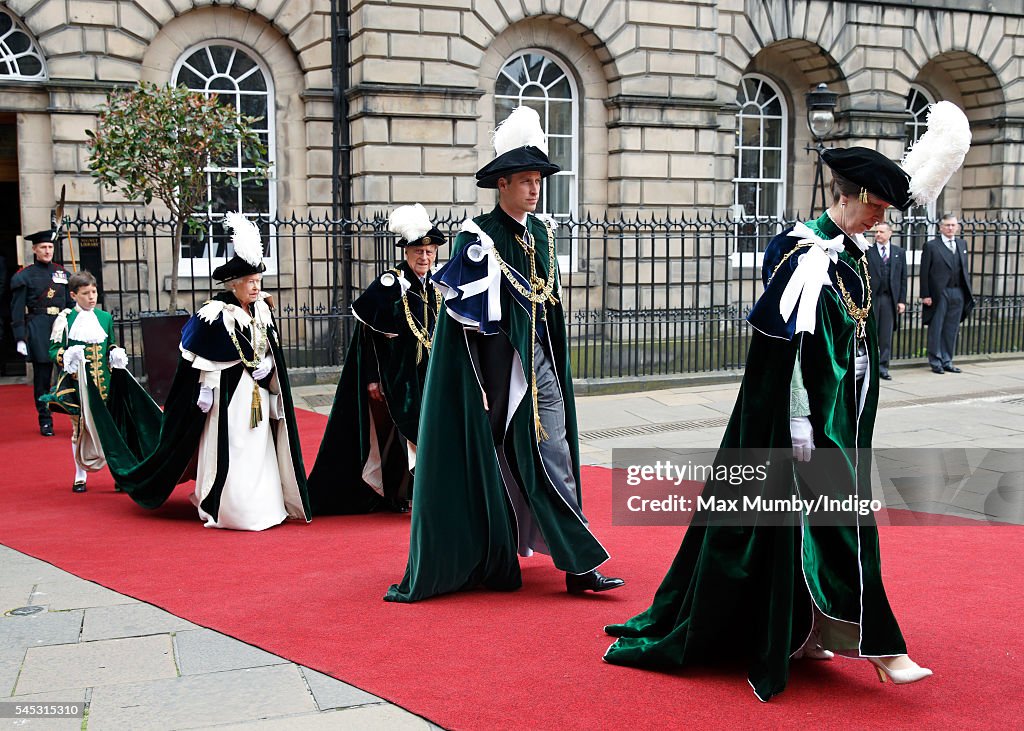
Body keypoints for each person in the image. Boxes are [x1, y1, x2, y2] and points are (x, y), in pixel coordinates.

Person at [604, 101, 970, 701]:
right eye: (875, 207)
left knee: (819, 524)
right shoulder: (799, 251)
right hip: (804, 419)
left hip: (841, 409)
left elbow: (846, 333)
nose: (880, 219)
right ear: (848, 197)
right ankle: (880, 647)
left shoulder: (851, 254)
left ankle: (809, 628)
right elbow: (785, 344)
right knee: (832, 525)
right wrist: (799, 415)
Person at [385, 106, 623, 602]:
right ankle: (511, 551)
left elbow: (546, 307)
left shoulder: (542, 233)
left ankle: (576, 564)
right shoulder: (479, 239)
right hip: (499, 380)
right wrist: (496, 390)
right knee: (522, 461)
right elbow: (474, 327)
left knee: (553, 456)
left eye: (538, 179)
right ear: (503, 185)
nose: (535, 189)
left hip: (541, 367)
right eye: (525, 180)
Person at [105, 213, 311, 531]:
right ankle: (230, 507)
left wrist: (270, 367)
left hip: (257, 392)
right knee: (234, 447)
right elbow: (194, 354)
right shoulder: (214, 313)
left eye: (259, 281)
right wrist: (205, 387)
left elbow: (270, 348)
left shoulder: (262, 309)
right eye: (250, 282)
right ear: (235, 284)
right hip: (227, 396)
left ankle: (265, 503)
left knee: (259, 446)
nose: (257, 287)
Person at [307, 204, 445, 514]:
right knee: (399, 437)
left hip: (428, 375)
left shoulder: (435, 288)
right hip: (396, 376)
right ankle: (401, 495)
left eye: (430, 251)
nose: (424, 257)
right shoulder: (391, 284)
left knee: (430, 433)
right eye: (418, 251)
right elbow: (366, 336)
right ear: (406, 252)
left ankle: (425, 491)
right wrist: (371, 377)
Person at [40, 270, 160, 493]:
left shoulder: (104, 318)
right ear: (74, 295)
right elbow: (53, 350)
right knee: (80, 430)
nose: (92, 297)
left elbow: (110, 343)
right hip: (78, 386)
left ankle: (118, 473)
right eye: (86, 293)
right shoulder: (65, 320)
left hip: (106, 385)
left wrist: (115, 352)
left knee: (112, 431)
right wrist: (66, 356)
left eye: (94, 292)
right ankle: (80, 475)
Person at [10, 230, 73, 436]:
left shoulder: (63, 274)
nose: (47, 251)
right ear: (35, 249)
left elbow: (72, 304)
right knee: (43, 378)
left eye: (50, 247)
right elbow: (17, 308)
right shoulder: (24, 276)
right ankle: (45, 420)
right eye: (43, 247)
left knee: (69, 374)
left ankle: (76, 416)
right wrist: (20, 337)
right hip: (38, 328)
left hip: (61, 326)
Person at [921, 213, 974, 374]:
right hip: (939, 293)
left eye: (953, 225)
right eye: (947, 225)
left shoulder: (962, 244)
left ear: (957, 227)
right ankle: (935, 361)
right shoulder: (931, 246)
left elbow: (964, 269)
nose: (951, 228)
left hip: (958, 291)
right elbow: (924, 272)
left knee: (951, 328)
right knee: (936, 327)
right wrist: (926, 295)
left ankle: (947, 360)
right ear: (940, 227)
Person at [865, 222, 907, 380]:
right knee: (871, 333)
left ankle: (883, 367)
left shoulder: (899, 252)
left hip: (890, 299)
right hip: (874, 298)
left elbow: (903, 278)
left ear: (890, 233)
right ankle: (869, 366)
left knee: (886, 335)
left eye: (881, 232)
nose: (878, 234)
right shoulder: (868, 251)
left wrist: (902, 300)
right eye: (876, 232)